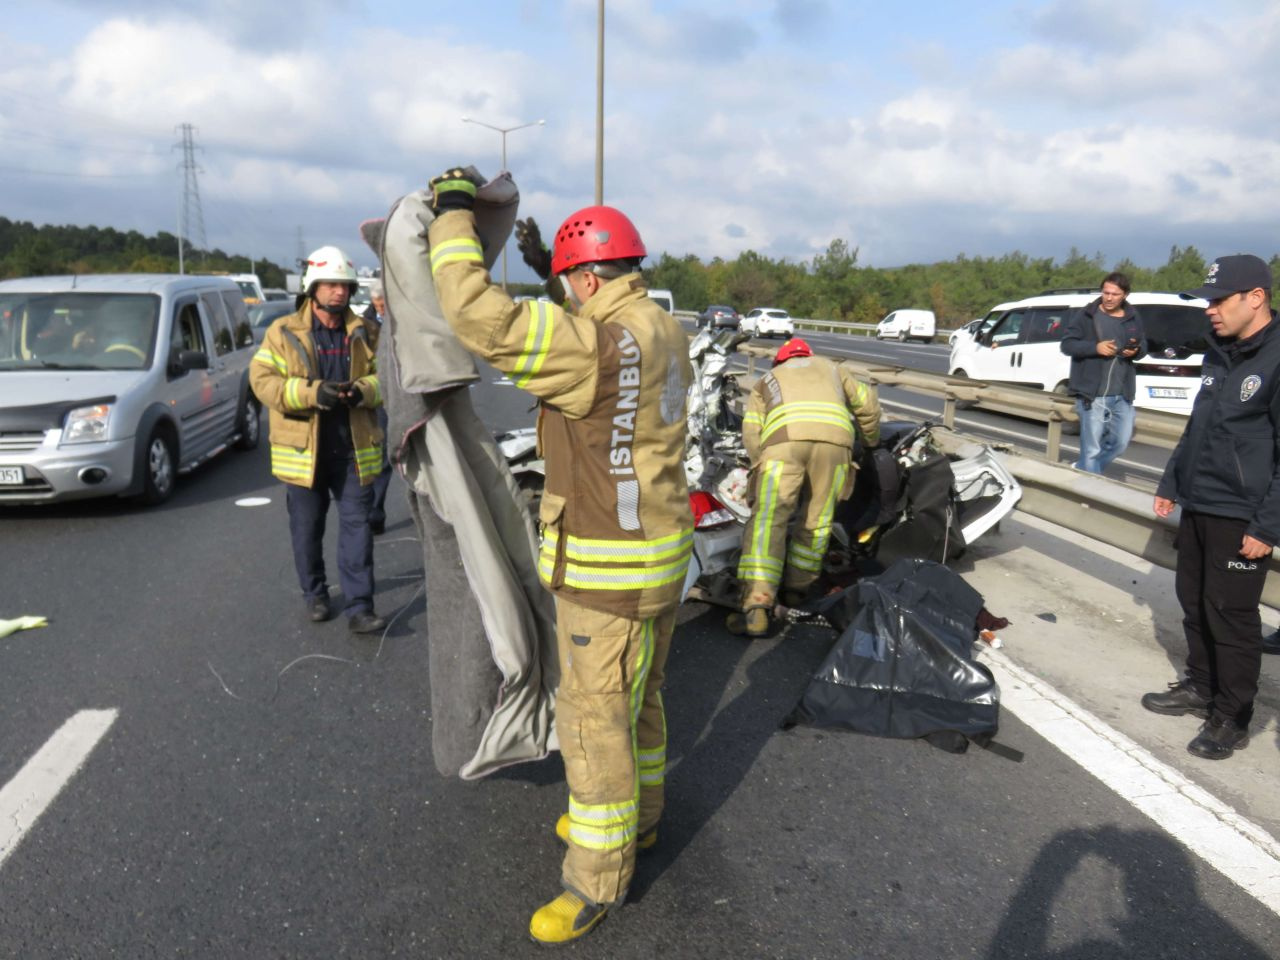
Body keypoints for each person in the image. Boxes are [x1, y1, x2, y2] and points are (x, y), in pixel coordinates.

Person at [426, 169, 692, 945]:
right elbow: (600, 342)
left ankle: (596, 876)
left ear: (585, 278)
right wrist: (557, 273)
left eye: (569, 284)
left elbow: (481, 318)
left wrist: (451, 219)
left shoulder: (594, 345)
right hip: (662, 559)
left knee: (592, 719)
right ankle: (639, 823)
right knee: (640, 698)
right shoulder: (658, 327)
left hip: (607, 569)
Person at [1142, 254, 1280, 760]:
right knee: (1194, 602)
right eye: (1208, 301)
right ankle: (1201, 686)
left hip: (1242, 512)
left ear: (1256, 297)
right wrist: (1172, 480)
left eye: (1220, 300)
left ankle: (1232, 715)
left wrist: (1268, 525)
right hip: (1200, 500)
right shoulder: (1218, 352)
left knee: (1231, 615)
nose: (1210, 310)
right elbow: (1197, 426)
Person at [249, 245, 388, 634]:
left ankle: (361, 606)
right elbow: (263, 382)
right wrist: (313, 394)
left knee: (357, 528)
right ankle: (316, 595)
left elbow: (390, 380)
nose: (339, 292)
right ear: (312, 287)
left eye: (343, 285)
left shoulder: (367, 332)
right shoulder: (282, 332)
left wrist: (363, 391)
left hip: (353, 449)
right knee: (307, 530)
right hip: (303, 452)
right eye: (330, 284)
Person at [731, 337, 881, 636]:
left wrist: (759, 463)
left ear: (781, 360)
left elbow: (751, 429)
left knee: (769, 519)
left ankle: (758, 604)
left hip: (783, 445)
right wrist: (870, 443)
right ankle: (797, 591)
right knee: (816, 520)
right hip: (836, 447)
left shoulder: (768, 378)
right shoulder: (834, 369)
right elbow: (868, 405)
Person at [1060, 272, 1146, 473]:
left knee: (1120, 443)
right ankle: (1089, 492)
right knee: (1091, 449)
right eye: (1105, 292)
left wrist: (1136, 351)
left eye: (1114, 294)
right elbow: (1067, 345)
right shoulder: (1087, 315)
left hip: (1122, 395)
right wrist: (1095, 348)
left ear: (1125, 295)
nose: (1108, 298)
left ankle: (1084, 469)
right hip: (1093, 394)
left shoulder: (1133, 317)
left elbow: (1143, 345)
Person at [362, 280, 393, 534]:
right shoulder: (366, 322)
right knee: (381, 455)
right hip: (380, 395)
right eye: (376, 304)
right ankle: (375, 511)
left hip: (403, 391)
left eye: (382, 304)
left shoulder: (403, 318)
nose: (379, 309)